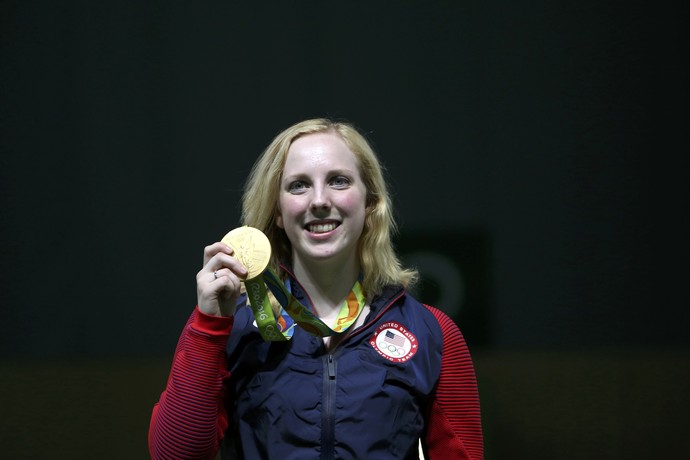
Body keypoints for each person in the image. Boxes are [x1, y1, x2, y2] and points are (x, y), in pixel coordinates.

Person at [148, 118, 484, 459]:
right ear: (277, 210)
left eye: (338, 181)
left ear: (370, 202)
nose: (319, 200)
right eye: (299, 186)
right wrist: (208, 327)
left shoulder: (430, 332)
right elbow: (174, 456)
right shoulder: (233, 327)